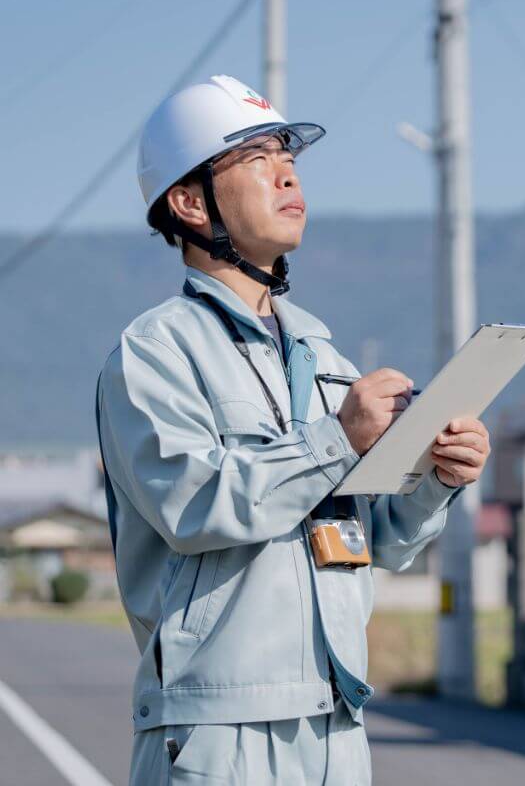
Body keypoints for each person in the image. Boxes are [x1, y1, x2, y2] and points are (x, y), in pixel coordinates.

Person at [96, 75, 491, 785]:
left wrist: (438, 479)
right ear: (189, 203)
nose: (286, 174)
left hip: (337, 720)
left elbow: (382, 542)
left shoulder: (326, 359)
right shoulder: (156, 351)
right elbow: (194, 505)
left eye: (290, 159)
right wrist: (337, 440)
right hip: (218, 726)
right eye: (254, 160)